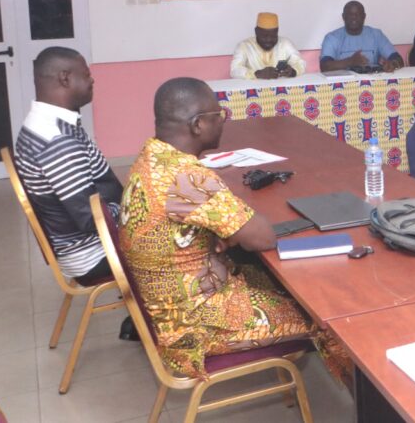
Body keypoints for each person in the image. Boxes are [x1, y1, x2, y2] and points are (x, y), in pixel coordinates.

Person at [118, 77, 351, 381]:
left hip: (176, 305)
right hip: (198, 325)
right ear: (198, 125)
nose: (223, 121)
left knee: (295, 280)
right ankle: (367, 397)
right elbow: (263, 237)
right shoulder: (187, 179)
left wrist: (222, 228)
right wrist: (231, 219)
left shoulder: (152, 158)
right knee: (328, 314)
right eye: (219, 115)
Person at [13, 47, 136, 340]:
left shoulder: (49, 124)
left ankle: (143, 314)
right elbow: (91, 219)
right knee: (188, 235)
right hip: (92, 255)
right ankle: (163, 322)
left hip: (85, 244)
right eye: (87, 75)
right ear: (65, 78)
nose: (92, 80)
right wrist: (138, 211)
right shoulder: (56, 140)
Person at [319, 0, 403, 73]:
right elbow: (324, 67)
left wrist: (392, 64)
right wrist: (350, 61)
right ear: (343, 17)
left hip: (373, 83)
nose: (354, 17)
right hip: (342, 84)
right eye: (350, 14)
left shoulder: (376, 35)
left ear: (364, 16)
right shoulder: (332, 38)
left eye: (358, 14)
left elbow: (398, 59)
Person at [229, 12, 306, 80]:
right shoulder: (244, 46)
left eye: (273, 36)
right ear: (256, 32)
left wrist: (293, 71)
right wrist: (257, 74)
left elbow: (300, 63)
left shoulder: (285, 43)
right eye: (264, 36)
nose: (268, 40)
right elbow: (235, 70)